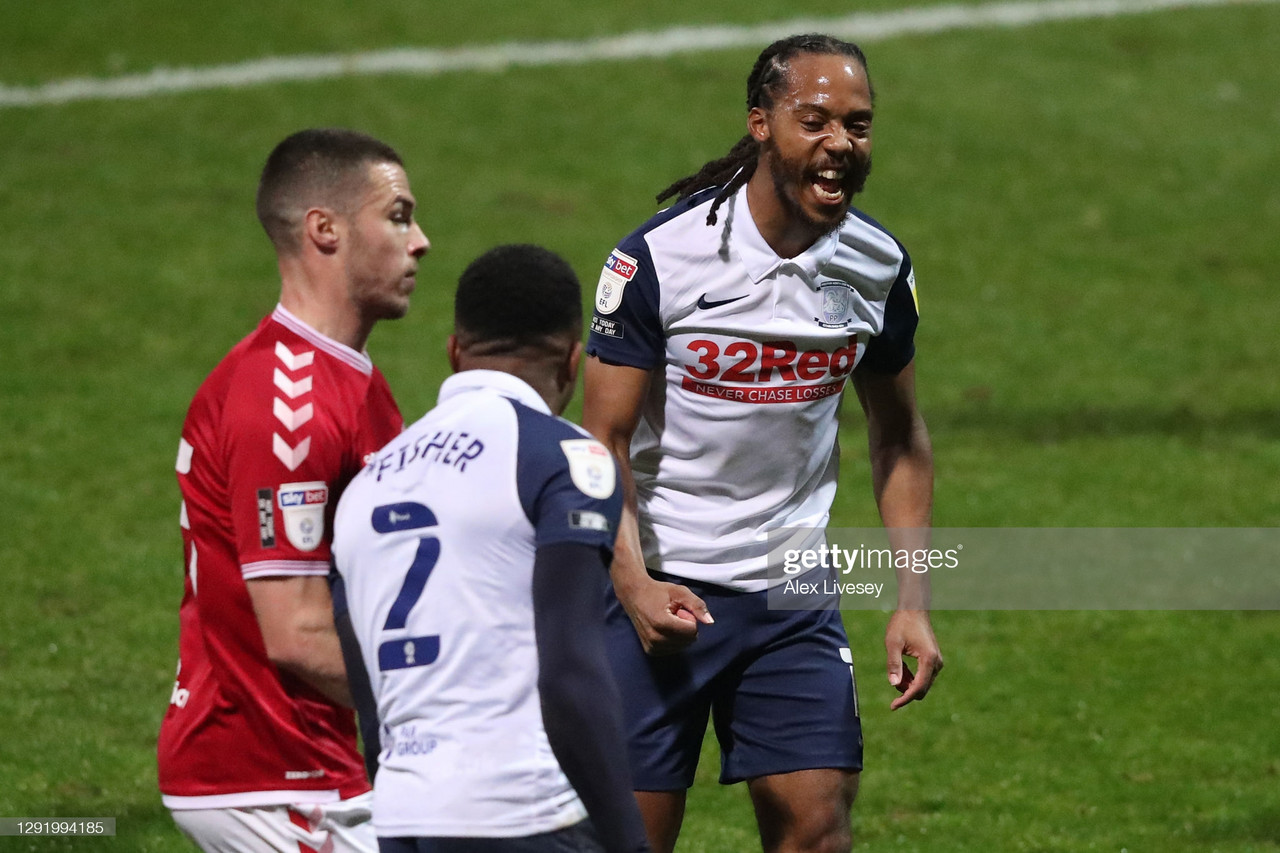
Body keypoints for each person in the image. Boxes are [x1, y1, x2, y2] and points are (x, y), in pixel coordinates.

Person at [581, 34, 944, 853]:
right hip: (654, 596)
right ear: (760, 125)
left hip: (789, 595)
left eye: (857, 125)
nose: (840, 145)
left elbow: (900, 439)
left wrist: (912, 602)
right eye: (814, 120)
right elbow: (597, 439)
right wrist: (633, 583)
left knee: (819, 830)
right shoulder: (659, 260)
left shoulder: (875, 266)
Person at [158, 127, 430, 853]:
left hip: (322, 763)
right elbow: (297, 633)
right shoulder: (289, 403)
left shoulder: (350, 381)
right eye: (399, 215)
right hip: (276, 773)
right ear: (325, 230)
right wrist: (451, 704)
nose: (422, 240)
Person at [331, 244, 650, 853]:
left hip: (401, 814)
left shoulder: (364, 489)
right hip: (523, 813)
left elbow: (369, 699)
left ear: (454, 352)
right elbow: (570, 671)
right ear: (571, 362)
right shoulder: (565, 459)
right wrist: (628, 843)